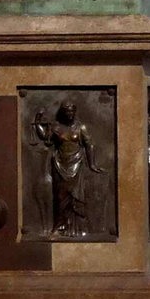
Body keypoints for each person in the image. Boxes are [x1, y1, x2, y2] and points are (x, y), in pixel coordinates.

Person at [32, 101, 106, 237]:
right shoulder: (56, 127)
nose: (70, 114)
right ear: (63, 113)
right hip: (60, 165)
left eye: (72, 111)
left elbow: (89, 145)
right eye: (67, 111)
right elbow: (44, 136)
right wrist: (37, 119)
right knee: (61, 197)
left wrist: (92, 164)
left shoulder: (80, 127)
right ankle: (60, 225)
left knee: (77, 197)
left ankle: (80, 228)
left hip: (76, 164)